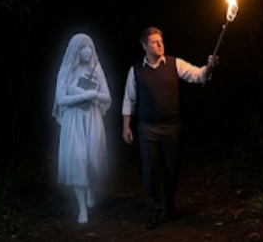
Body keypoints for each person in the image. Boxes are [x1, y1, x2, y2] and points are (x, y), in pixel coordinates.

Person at [122, 26, 217, 230]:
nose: (159, 45)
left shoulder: (175, 63)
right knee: (150, 171)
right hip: (147, 127)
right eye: (154, 42)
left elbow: (199, 76)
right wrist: (126, 126)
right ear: (144, 46)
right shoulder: (136, 70)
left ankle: (168, 201)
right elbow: (129, 100)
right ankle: (153, 211)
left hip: (171, 125)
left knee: (173, 168)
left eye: (161, 41)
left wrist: (208, 67)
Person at [52, 33, 112, 224]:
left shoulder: (96, 69)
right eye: (84, 48)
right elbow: (60, 98)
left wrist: (93, 95)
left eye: (90, 47)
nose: (88, 51)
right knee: (78, 159)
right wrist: (83, 96)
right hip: (74, 119)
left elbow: (107, 96)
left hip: (92, 118)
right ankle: (82, 209)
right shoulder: (66, 71)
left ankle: (91, 189)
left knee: (93, 159)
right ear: (76, 51)